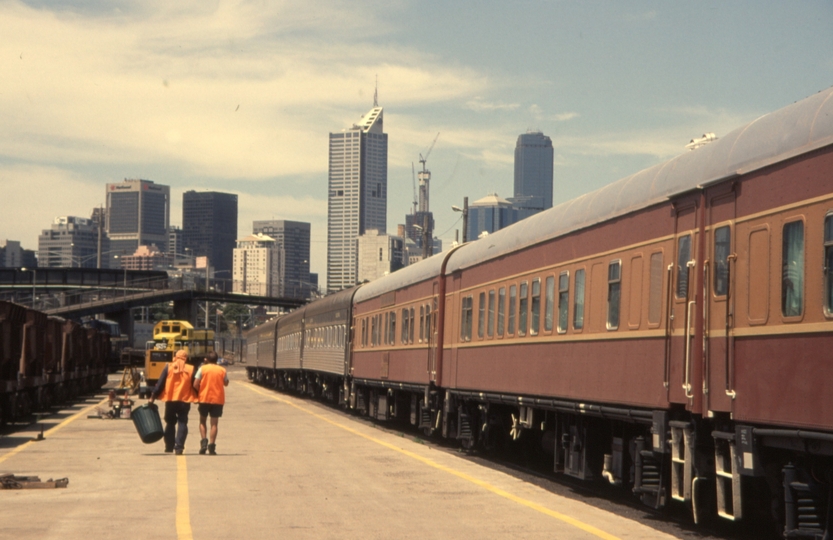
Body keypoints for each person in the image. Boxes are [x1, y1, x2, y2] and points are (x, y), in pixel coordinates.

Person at [149, 349, 197, 455]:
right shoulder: (191, 368)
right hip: (185, 400)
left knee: (170, 422)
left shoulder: (168, 367)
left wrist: (153, 396)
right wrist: (198, 397)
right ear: (186, 358)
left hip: (170, 399)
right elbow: (195, 385)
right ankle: (179, 448)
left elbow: (160, 383)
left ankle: (169, 447)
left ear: (175, 357)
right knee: (182, 422)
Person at [193, 351, 229, 455]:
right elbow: (226, 383)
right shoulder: (222, 370)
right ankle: (212, 446)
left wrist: (200, 391)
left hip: (204, 398)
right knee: (214, 424)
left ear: (207, 359)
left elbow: (195, 384)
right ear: (216, 359)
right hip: (217, 399)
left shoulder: (202, 369)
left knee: (202, 421)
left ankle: (204, 442)